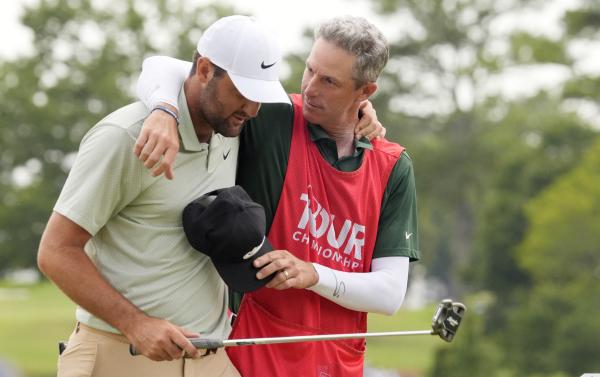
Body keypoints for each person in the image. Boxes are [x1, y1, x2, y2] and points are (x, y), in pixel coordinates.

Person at [135, 16, 420, 377]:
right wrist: (164, 108)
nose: (311, 87)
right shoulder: (273, 117)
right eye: (310, 69)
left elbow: (389, 293)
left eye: (329, 80)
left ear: (365, 92)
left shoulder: (393, 166)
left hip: (337, 363)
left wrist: (313, 273)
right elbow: (166, 68)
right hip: (248, 356)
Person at [36, 15, 293, 377]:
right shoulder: (123, 137)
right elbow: (56, 252)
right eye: (243, 92)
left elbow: (168, 70)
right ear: (205, 70)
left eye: (260, 96)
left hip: (213, 361)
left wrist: (360, 114)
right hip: (121, 358)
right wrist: (135, 323)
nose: (252, 109)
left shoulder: (229, 127)